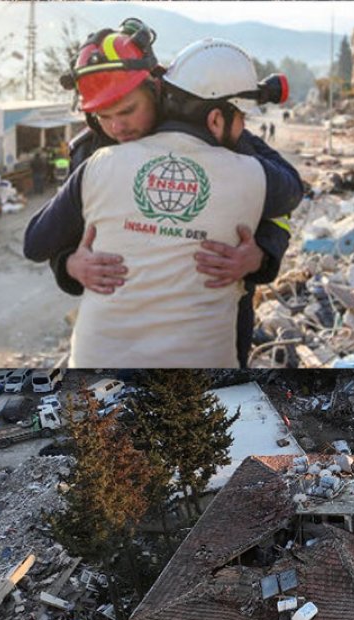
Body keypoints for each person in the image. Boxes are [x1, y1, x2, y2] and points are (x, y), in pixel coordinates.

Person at [26, 22, 299, 367]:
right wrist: (69, 265)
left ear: (157, 87)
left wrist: (262, 255)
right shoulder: (91, 153)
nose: (116, 127)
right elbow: (51, 236)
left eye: (126, 110)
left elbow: (280, 200)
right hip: (123, 338)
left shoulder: (224, 138)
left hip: (213, 332)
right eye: (101, 115)